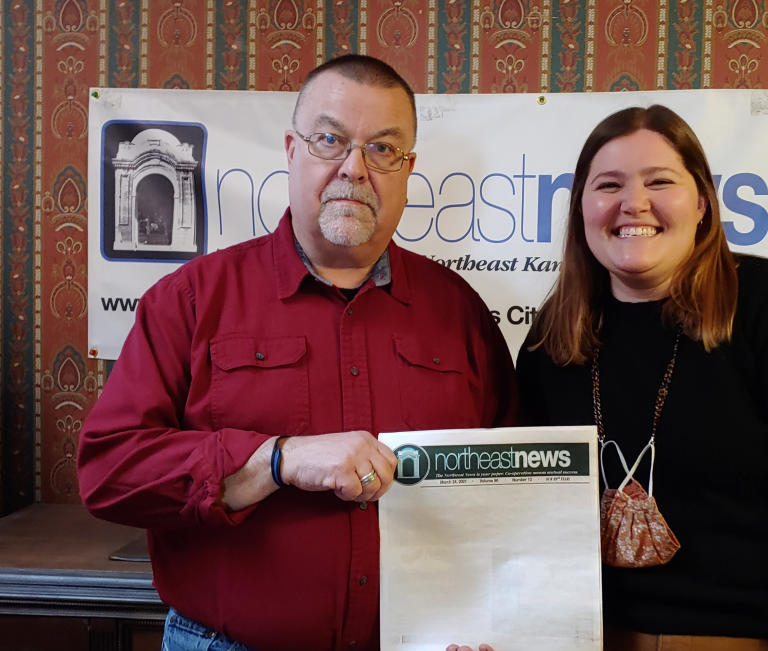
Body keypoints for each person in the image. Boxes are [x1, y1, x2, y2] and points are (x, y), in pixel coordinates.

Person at [78, 55, 518, 651]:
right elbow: (109, 473)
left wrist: (493, 618)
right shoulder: (189, 301)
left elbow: (509, 491)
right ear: (291, 149)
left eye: (384, 149)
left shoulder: (459, 313)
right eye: (331, 140)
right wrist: (274, 460)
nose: (355, 169)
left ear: (410, 169)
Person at [512, 105, 768, 651]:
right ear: (581, 208)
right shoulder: (552, 338)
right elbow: (521, 514)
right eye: (608, 184)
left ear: (701, 202)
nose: (633, 203)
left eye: (659, 181)